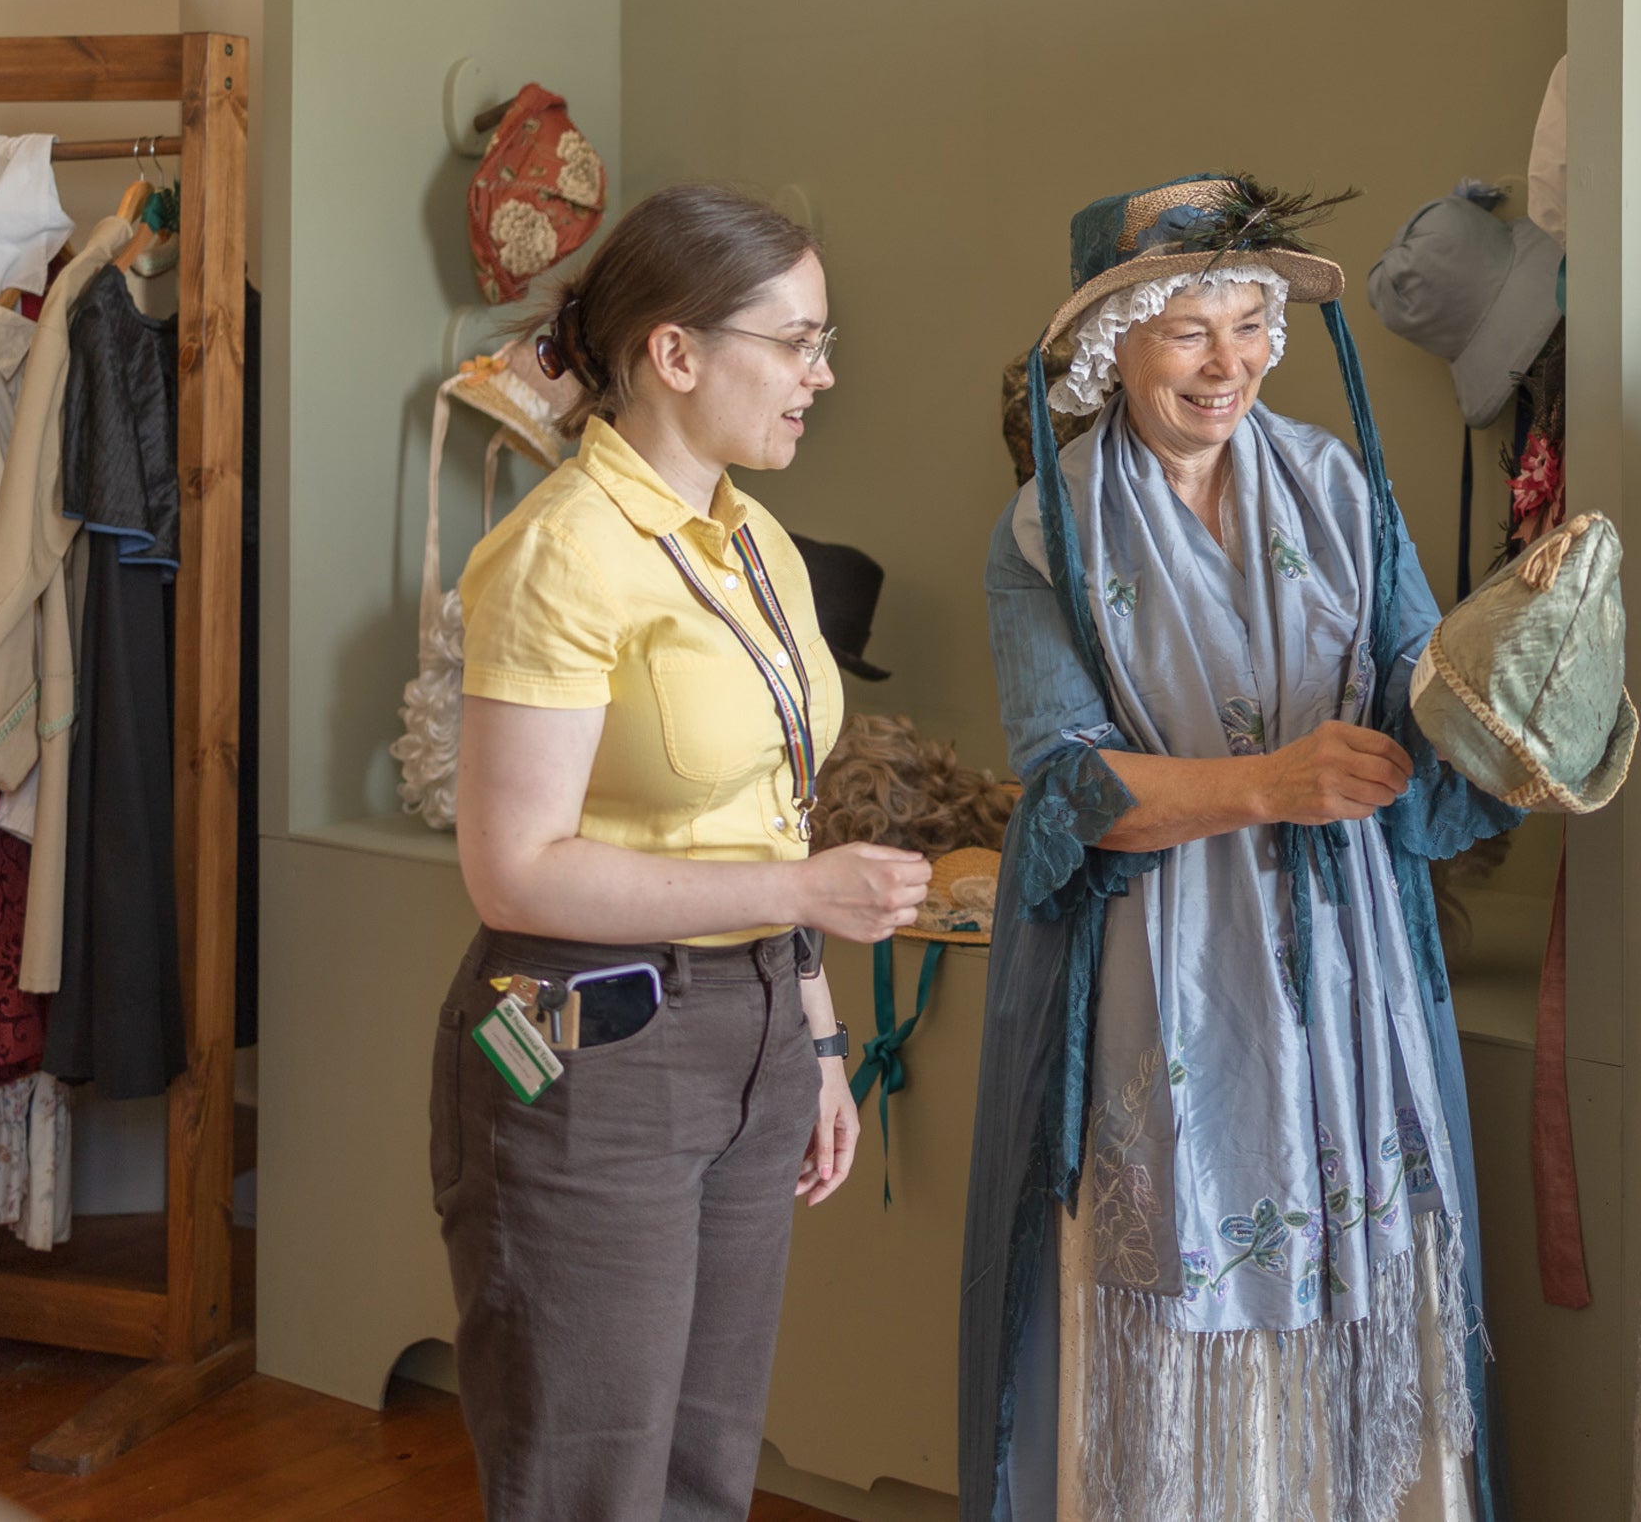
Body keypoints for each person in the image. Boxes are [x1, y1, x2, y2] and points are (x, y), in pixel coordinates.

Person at [957, 174, 1526, 1522]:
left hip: (1355, 984)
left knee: (1377, 1316)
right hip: (1168, 987)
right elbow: (1070, 791)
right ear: (1111, 353)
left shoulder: (1336, 484)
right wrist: (1269, 783)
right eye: (1188, 333)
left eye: (1250, 324)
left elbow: (1415, 696)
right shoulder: (1050, 527)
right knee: (1183, 1344)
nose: (1232, 365)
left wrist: (1514, 698)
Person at [435, 183, 930, 1521]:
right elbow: (515, 870)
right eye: (800, 342)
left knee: (709, 1472)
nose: (822, 377)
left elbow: (766, 801)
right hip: (591, 1047)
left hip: (754, 1034)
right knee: (590, 1480)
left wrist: (815, 1037)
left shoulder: (755, 537)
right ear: (676, 352)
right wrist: (802, 897)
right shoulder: (555, 557)